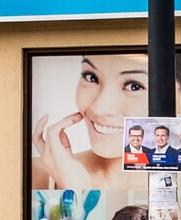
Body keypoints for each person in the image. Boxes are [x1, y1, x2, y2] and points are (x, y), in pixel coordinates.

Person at [33, 54, 167, 193]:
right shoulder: (30, 174)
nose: (99, 108)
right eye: (91, 77)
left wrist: (75, 194)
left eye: (134, 86)